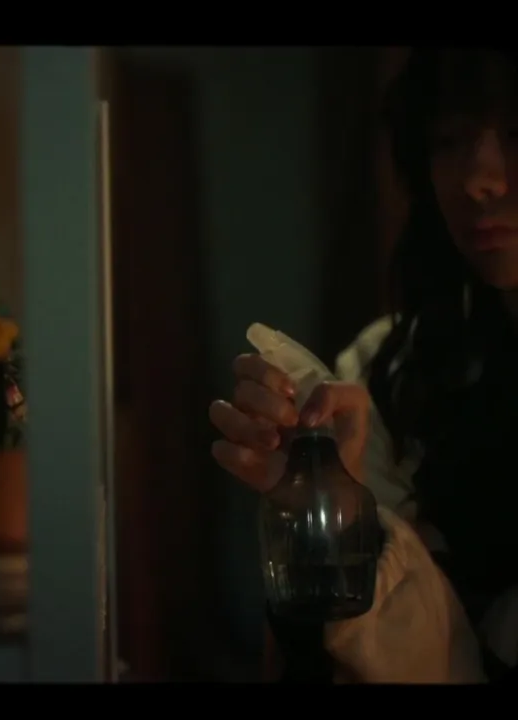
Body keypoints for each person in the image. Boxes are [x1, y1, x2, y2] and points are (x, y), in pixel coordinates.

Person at [208, 47, 517, 683]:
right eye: (450, 141)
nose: (477, 180)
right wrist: (327, 521)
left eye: (517, 134)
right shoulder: (388, 376)